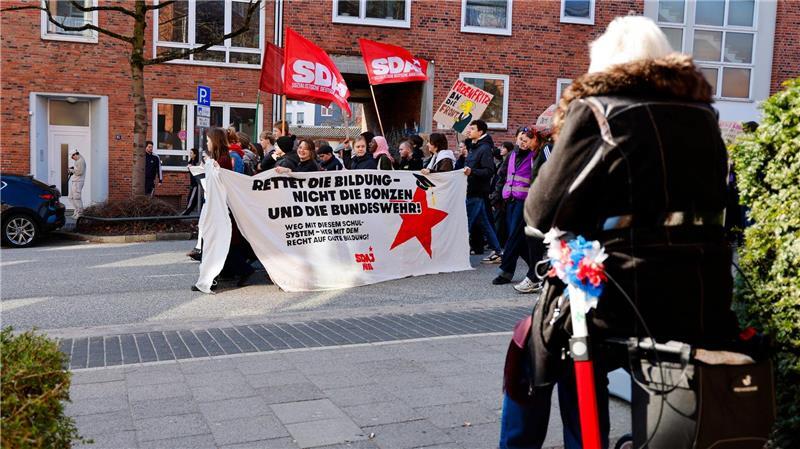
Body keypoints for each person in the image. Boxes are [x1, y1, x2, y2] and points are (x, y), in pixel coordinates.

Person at [500, 16, 741, 448]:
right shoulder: (703, 116)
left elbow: (538, 215)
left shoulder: (598, 108)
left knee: (531, 347)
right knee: (574, 341)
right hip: (700, 292)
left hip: (622, 291)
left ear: (605, 63)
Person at [493, 128, 548, 289]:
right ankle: (538, 268)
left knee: (514, 237)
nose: (524, 143)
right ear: (516, 139)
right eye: (521, 139)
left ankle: (506, 271)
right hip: (510, 200)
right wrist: (497, 195)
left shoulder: (536, 154)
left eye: (526, 140)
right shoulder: (511, 156)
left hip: (525, 201)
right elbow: (502, 176)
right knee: (521, 239)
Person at [463, 120, 503, 263]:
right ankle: (498, 251)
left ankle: (456, 254)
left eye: (472, 128)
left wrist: (471, 171)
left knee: (465, 223)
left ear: (480, 132)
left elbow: (489, 171)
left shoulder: (484, 148)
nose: (469, 130)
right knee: (484, 223)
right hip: (472, 190)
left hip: (477, 191)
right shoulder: (474, 147)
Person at [182, 148, 201, 216]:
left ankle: (186, 213)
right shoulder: (190, 162)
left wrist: (192, 167)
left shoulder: (197, 163)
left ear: (195, 155)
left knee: (191, 199)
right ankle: (188, 212)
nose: (190, 154)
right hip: (192, 184)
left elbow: (198, 172)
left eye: (191, 153)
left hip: (196, 184)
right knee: (193, 199)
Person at [68, 150, 86, 217]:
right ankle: (77, 210)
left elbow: (80, 172)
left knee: (77, 198)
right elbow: (77, 170)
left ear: (75, 154)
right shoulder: (77, 161)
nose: (72, 159)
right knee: (71, 197)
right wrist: (73, 169)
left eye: (72, 157)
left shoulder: (81, 161)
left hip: (78, 182)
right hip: (75, 181)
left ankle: (80, 214)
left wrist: (72, 170)